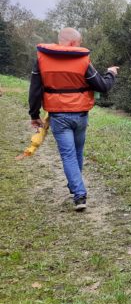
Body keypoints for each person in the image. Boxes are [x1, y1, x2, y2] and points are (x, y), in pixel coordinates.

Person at [29, 27, 118, 211]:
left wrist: (34, 115)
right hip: (80, 115)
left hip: (59, 116)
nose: (80, 46)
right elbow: (102, 86)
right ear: (71, 43)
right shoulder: (83, 61)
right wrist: (111, 73)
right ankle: (78, 192)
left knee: (70, 155)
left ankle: (77, 190)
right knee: (76, 152)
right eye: (79, 42)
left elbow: (35, 89)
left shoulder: (42, 60)